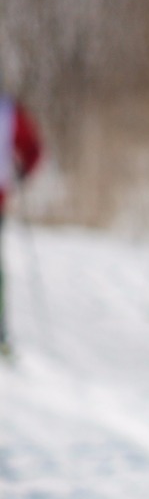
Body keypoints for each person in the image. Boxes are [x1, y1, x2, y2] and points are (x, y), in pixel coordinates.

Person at [0, 76, 43, 355]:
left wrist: (22, 172)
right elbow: (34, 150)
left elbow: (34, 150)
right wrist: (22, 173)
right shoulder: (9, 110)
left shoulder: (9, 111)